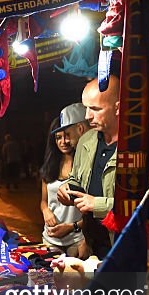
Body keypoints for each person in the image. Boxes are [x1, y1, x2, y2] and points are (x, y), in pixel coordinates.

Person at [57, 74, 121, 258]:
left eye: (95, 109)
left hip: (122, 247)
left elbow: (145, 204)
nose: (87, 116)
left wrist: (97, 204)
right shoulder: (87, 140)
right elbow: (76, 177)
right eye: (86, 108)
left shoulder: (136, 146)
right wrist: (67, 187)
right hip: (93, 244)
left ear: (118, 107)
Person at [40, 103, 89, 257]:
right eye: (58, 137)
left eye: (67, 135)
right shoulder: (50, 165)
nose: (64, 141)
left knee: (74, 279)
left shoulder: (84, 163)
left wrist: (71, 227)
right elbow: (43, 201)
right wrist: (46, 211)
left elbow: (93, 213)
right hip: (50, 238)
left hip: (77, 238)